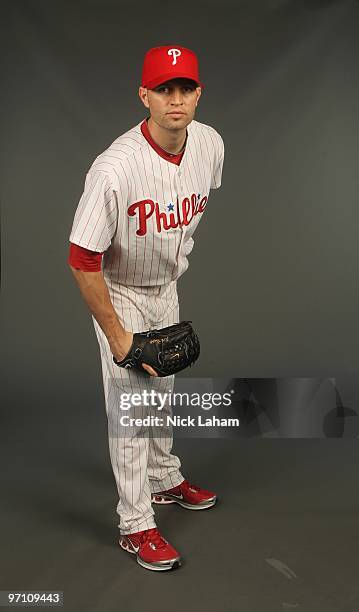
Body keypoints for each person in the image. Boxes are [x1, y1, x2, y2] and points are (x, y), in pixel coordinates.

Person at [67, 45, 225, 572]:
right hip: (120, 292)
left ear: (198, 93)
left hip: (166, 287)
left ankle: (163, 478)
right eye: (164, 89)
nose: (175, 99)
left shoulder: (209, 145)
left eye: (184, 88)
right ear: (145, 96)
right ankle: (135, 525)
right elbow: (81, 258)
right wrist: (117, 337)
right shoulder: (114, 169)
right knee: (131, 410)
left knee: (164, 389)